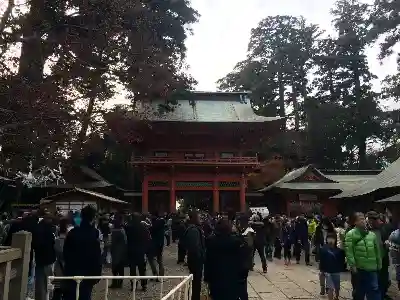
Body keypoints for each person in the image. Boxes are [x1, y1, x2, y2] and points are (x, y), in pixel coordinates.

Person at [63, 205, 102, 300]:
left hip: (72, 272)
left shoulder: (72, 233)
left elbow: (65, 253)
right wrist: (97, 274)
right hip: (88, 274)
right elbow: (97, 256)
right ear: (93, 217)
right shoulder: (95, 234)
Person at [204, 219, 247, 300]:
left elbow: (208, 261)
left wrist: (207, 277)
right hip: (233, 279)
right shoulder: (236, 242)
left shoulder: (210, 241)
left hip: (216, 279)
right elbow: (242, 261)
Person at [344, 212, 382, 300]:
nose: (363, 221)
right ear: (355, 222)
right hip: (360, 268)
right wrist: (352, 265)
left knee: (374, 289)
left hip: (372, 268)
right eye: (360, 219)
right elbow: (349, 251)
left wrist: (379, 264)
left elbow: (377, 251)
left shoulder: (372, 235)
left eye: (364, 218)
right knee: (359, 291)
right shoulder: (350, 234)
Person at [184, 210, 205, 300]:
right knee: (196, 282)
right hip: (195, 261)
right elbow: (194, 247)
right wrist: (200, 256)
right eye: (199, 218)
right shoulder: (193, 230)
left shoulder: (194, 229)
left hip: (195, 260)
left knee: (196, 281)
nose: (201, 219)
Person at [319, 232, 345, 300]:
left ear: (335, 239)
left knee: (337, 287)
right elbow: (322, 260)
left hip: (336, 271)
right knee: (330, 287)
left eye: (332, 238)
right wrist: (322, 270)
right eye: (329, 238)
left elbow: (342, 260)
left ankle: (336, 297)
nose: (330, 240)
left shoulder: (339, 250)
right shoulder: (324, 249)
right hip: (328, 271)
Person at [109, 215, 127, 289]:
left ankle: (115, 283)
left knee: (115, 269)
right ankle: (120, 283)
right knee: (120, 269)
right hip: (121, 252)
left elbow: (111, 243)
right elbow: (125, 242)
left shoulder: (113, 233)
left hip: (115, 252)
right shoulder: (122, 232)